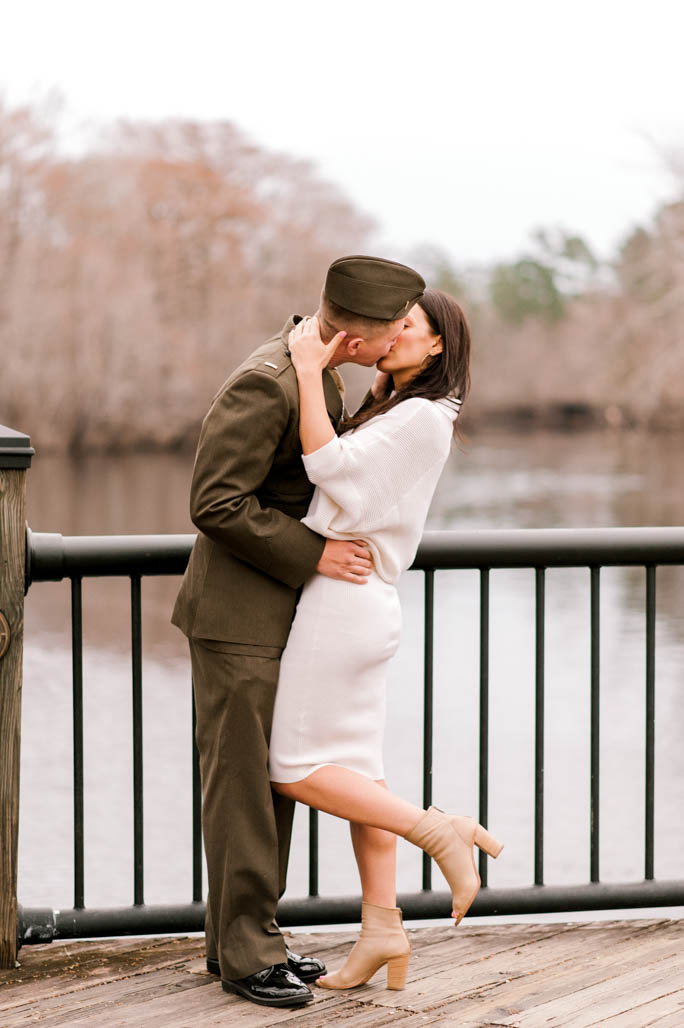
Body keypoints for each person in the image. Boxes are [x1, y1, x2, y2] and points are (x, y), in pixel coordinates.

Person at [171, 255, 427, 1009]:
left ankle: (246, 941)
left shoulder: (321, 371)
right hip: (237, 619)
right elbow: (214, 502)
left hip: (276, 618)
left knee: (267, 785)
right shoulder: (269, 379)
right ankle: (248, 958)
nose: (395, 346)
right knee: (246, 792)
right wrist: (314, 553)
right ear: (356, 338)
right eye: (389, 336)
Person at [269, 290, 503, 991]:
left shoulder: (423, 417)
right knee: (358, 773)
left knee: (294, 769)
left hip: (344, 605)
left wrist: (310, 371)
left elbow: (328, 467)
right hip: (357, 601)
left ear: (437, 346)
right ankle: (382, 931)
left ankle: (437, 830)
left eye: (410, 325)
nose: (393, 332)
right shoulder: (400, 408)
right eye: (393, 322)